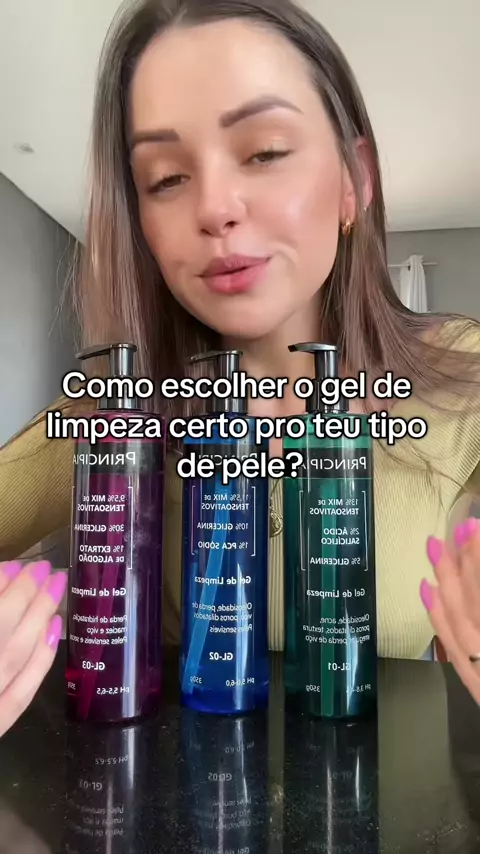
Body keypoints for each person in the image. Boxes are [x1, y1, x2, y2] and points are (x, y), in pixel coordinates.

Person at [0, 0, 479, 738]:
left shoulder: (463, 375)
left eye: (264, 152)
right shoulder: (111, 423)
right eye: (165, 178)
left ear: (354, 180)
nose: (216, 208)